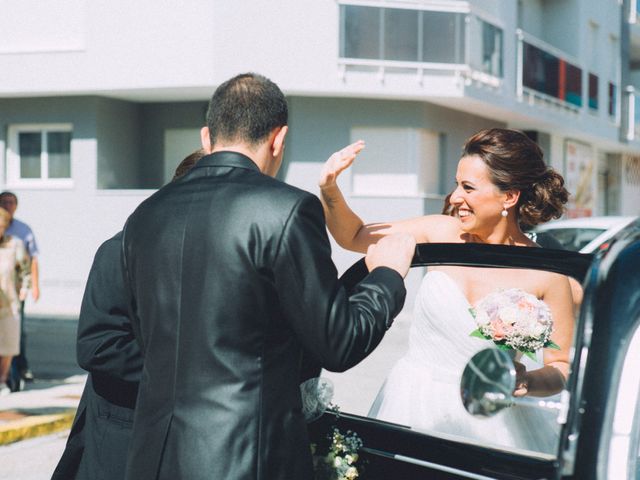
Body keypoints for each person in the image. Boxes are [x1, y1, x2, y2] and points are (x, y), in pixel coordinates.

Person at [121, 73, 415, 480]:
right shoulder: (287, 210)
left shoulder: (145, 215)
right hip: (245, 457)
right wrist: (386, 276)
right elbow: (339, 343)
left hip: (151, 457)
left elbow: (144, 334)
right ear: (279, 139)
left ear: (207, 137)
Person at [318, 128, 575, 453]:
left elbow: (561, 365)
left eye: (468, 187)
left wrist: (526, 380)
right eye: (457, 184)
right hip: (412, 405)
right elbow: (353, 236)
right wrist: (329, 189)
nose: (454, 197)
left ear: (508, 197)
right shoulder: (440, 231)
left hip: (492, 418)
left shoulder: (546, 272)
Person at [50, 149, 207, 480]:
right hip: (124, 436)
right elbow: (98, 345)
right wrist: (191, 369)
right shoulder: (120, 251)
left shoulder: (227, 256)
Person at [0, 191, 39, 383]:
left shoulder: (22, 231)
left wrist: (33, 287)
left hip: (12, 293)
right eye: (4, 202)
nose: (8, 205)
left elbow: (31, 261)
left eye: (11, 202)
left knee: (15, 335)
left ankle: (18, 369)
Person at [0, 207, 30, 395]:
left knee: (8, 344)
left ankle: (3, 380)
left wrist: (24, 289)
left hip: (8, 304)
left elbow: (24, 270)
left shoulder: (14, 245)